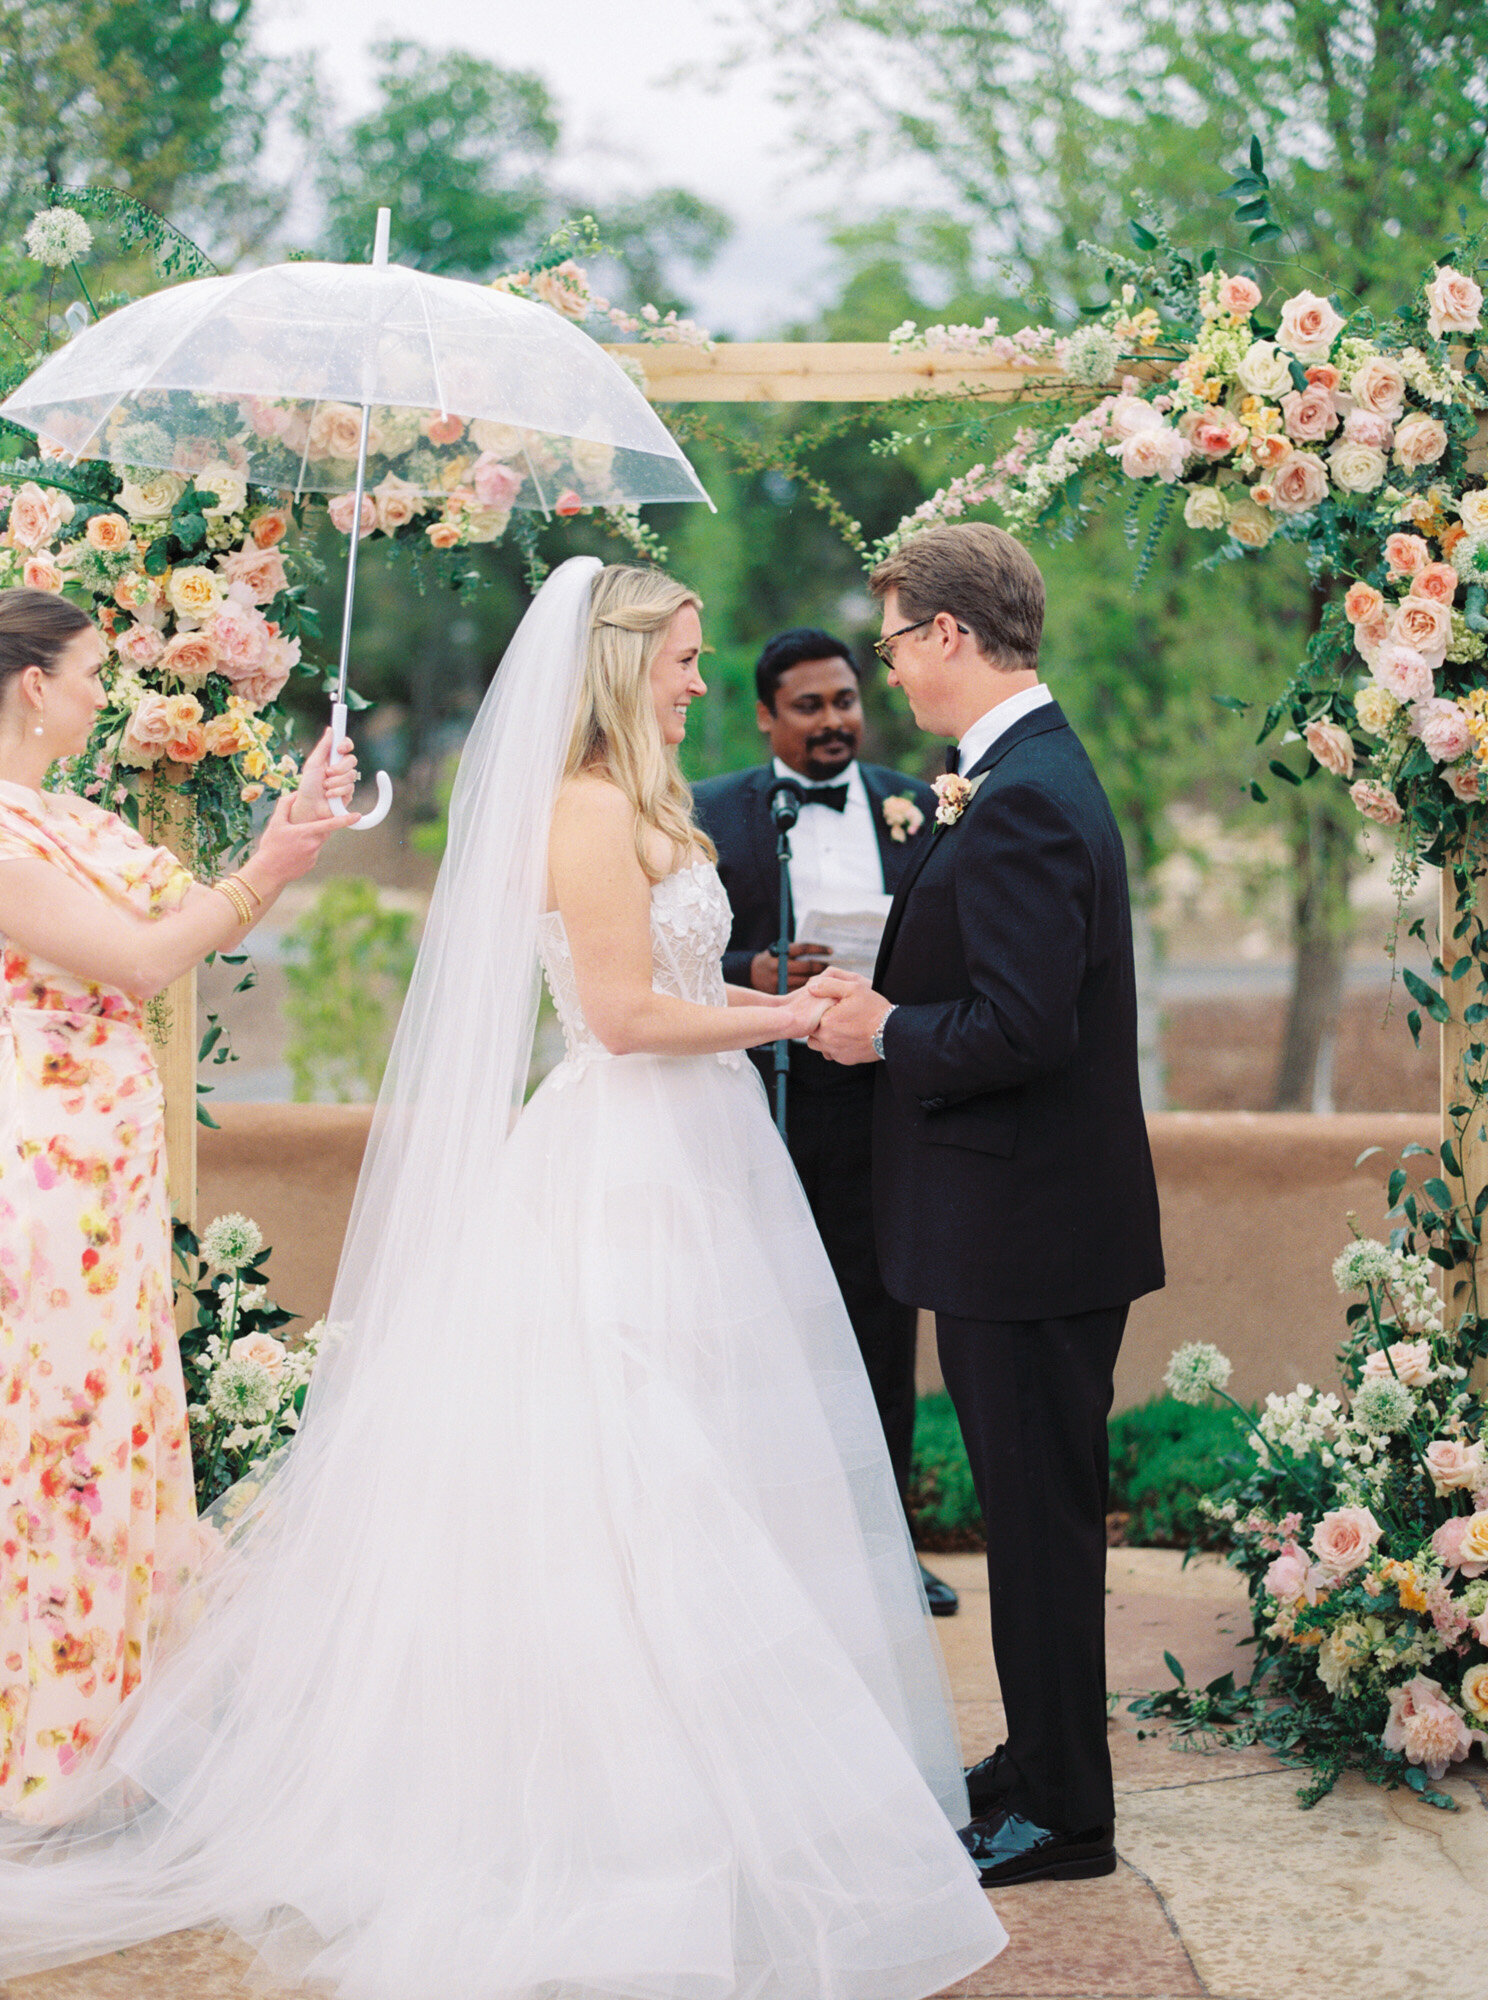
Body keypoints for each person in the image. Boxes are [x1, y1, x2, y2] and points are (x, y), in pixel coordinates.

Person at [0, 560, 1006, 2000]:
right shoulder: (586, 812)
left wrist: (769, 997)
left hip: (703, 1152)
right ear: (618, 663)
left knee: (706, 1455)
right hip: (622, 1160)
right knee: (628, 1463)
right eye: (683, 657)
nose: (700, 681)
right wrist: (786, 1015)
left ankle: (732, 1780)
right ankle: (628, 1793)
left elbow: (668, 983)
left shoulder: (648, 801)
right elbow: (613, 1013)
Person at [807, 522, 1164, 1888]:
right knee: (1030, 1519)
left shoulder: (1017, 797)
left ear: (949, 635)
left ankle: (1066, 1816)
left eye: (895, 642)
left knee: (1043, 1530)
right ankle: (1036, 1762)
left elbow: (1023, 1028)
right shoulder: (1016, 774)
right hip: (1030, 1224)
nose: (889, 672)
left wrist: (886, 1032)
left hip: (1029, 1233)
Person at [0, 587, 356, 1816]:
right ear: (33, 683)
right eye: (90, 672)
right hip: (35, 1168)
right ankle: (35, 1750)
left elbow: (186, 912)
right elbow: (145, 958)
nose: (104, 693)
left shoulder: (74, 817)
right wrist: (267, 864)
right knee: (49, 1440)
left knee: (112, 1434)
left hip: (108, 1164)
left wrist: (298, 819)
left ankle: (102, 1726)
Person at [692, 630, 959, 1617]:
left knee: (884, 1331)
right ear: (767, 716)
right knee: (756, 1331)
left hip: (882, 1107)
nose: (833, 719)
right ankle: (767, 1559)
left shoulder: (920, 801)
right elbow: (660, 956)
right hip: (758, 1106)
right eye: (808, 705)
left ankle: (890, 1554)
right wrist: (750, 973)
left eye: (844, 699)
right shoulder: (711, 809)